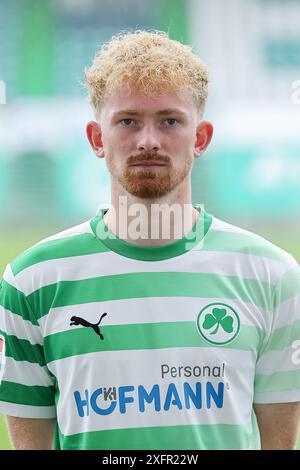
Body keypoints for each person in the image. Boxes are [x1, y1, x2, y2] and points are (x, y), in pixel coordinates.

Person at [0, 30, 300, 451]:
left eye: (169, 120)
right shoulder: (31, 281)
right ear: (96, 138)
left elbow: (279, 443)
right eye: (128, 121)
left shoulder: (273, 277)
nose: (148, 141)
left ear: (200, 138)